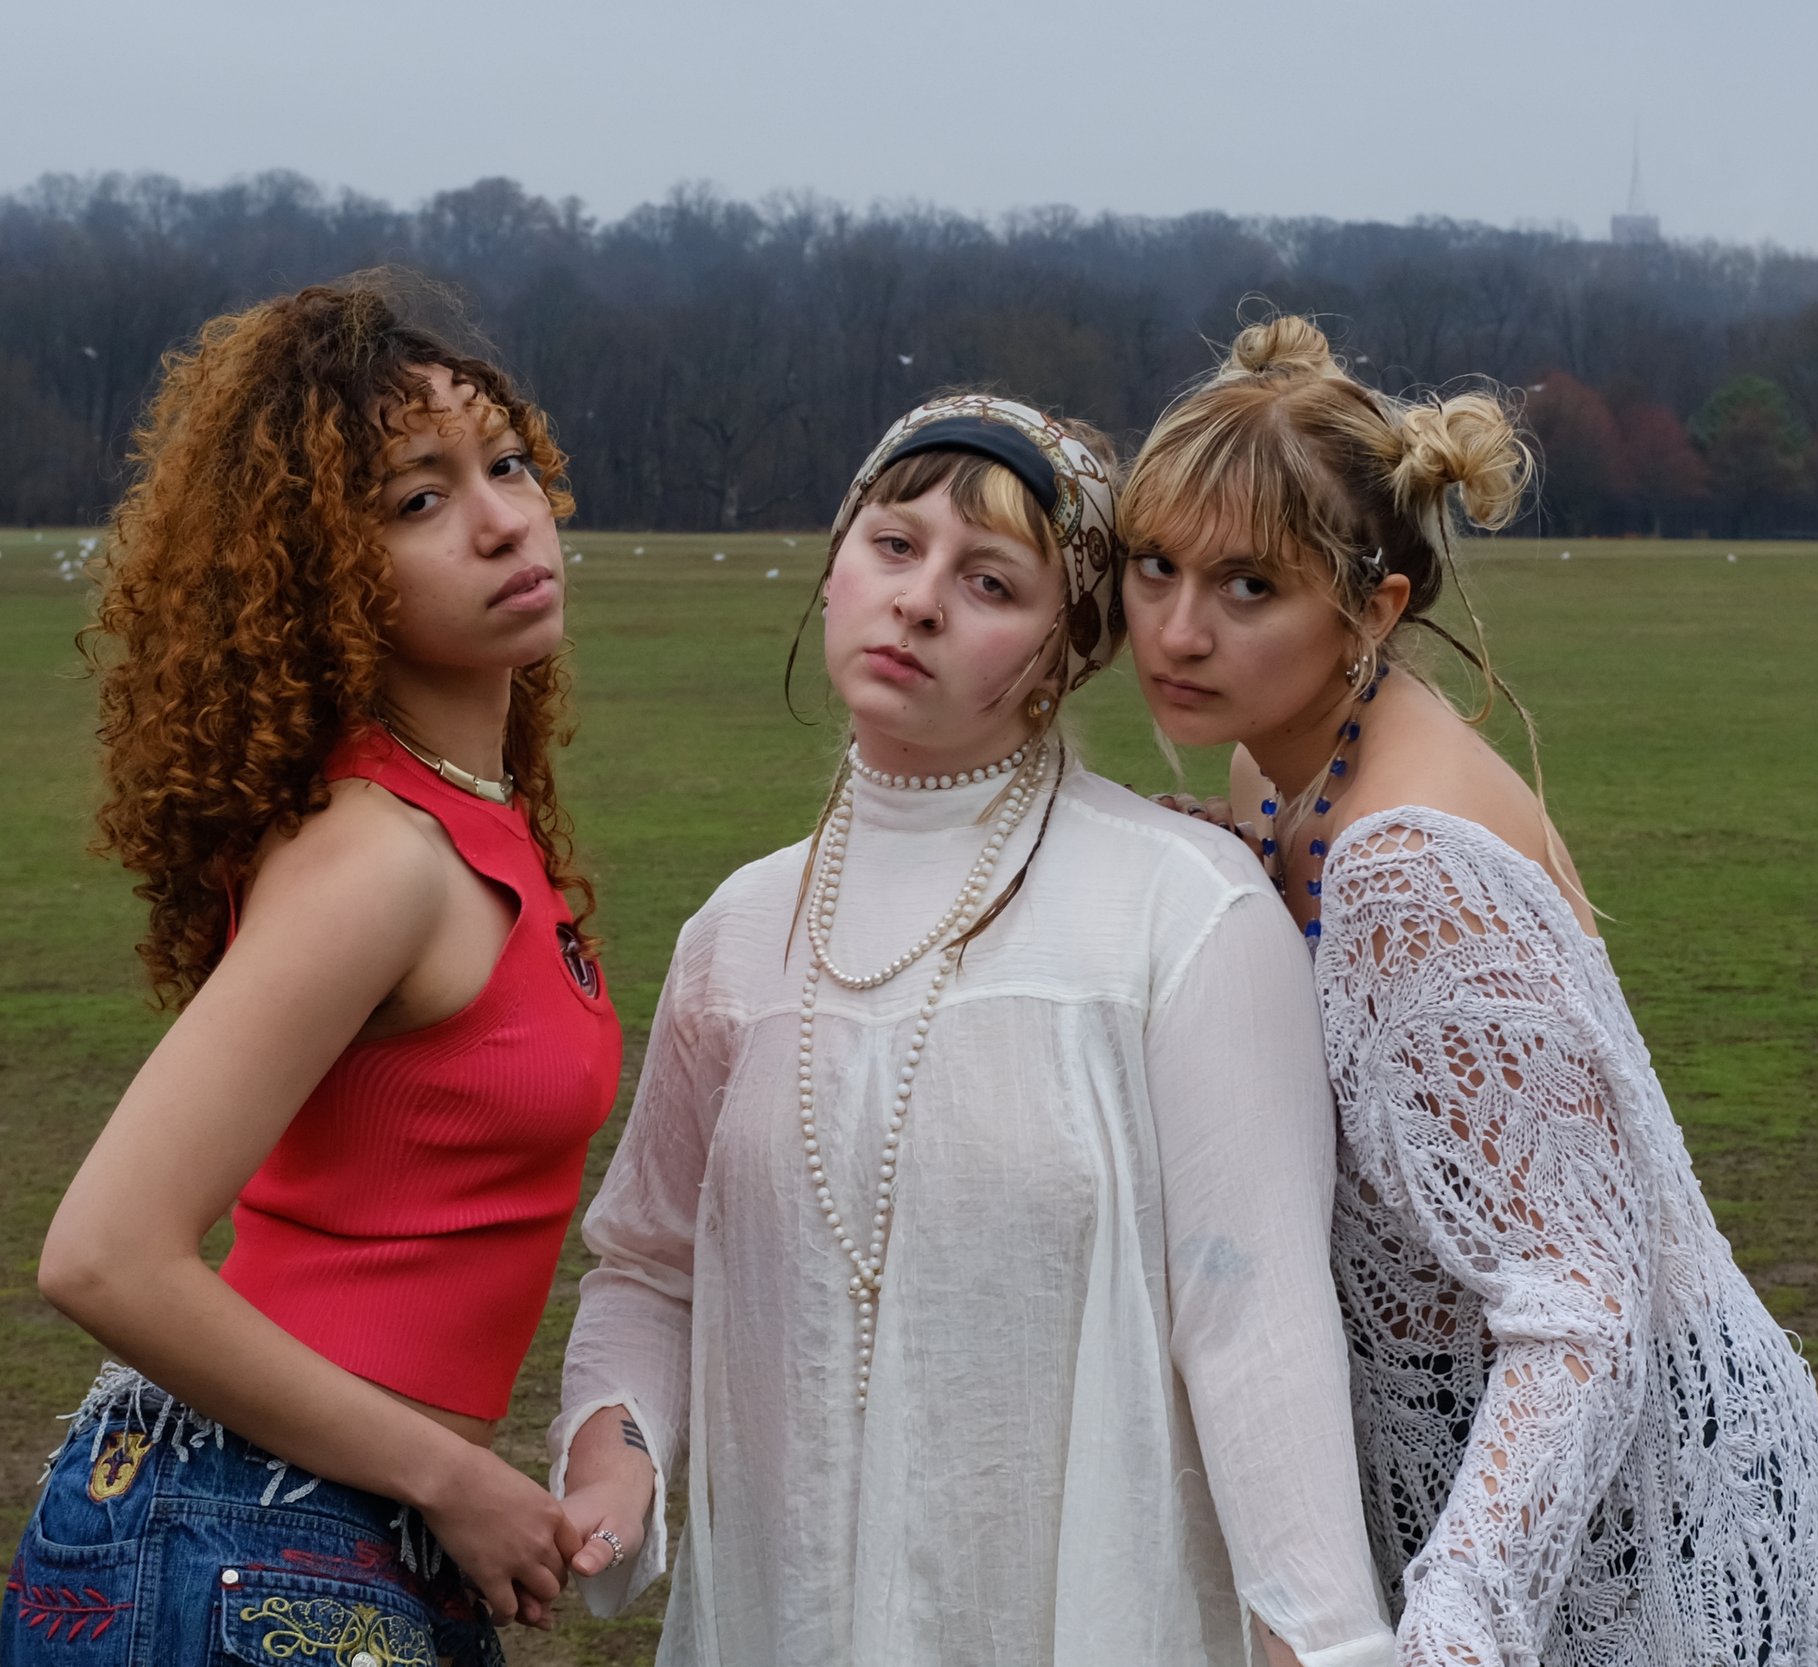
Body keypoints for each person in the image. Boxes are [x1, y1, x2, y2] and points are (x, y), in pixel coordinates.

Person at [545, 393, 1397, 1666]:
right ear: (834, 565)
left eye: (990, 579)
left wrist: (1322, 1643)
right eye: (894, 545)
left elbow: (1252, 1319)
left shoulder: (1183, 910)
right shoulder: (739, 933)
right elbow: (649, 1264)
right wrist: (612, 1453)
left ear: (1067, 646)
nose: (921, 600)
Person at [1116, 314, 1818, 1667]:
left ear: (1374, 609)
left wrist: (1458, 1621)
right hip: (1492, 1466)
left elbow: (1580, 1298)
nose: (1177, 626)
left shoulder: (1408, 867)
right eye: (1154, 565)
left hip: (1639, 1500)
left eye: (1248, 586)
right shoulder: (1273, 770)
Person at [0, 275, 622, 1667]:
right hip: (250, 1537)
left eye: (506, 463)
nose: (504, 517)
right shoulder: (377, 855)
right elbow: (104, 1251)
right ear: (318, 568)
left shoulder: (463, 813)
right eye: (419, 499)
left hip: (333, 1525)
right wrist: (454, 1475)